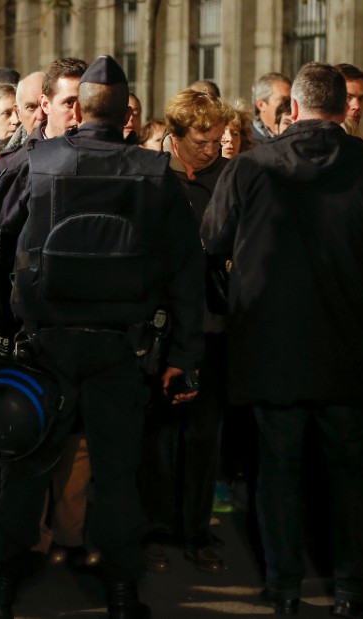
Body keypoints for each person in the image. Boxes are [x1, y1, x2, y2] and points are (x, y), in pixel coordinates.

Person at [0, 55, 204, 619]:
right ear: (126, 114)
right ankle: (123, 593)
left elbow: (1, 234)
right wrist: (186, 353)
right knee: (118, 477)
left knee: (26, 471)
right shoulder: (155, 175)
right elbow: (184, 274)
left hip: (46, 343)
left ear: (79, 109)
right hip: (121, 346)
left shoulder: (38, 163)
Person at [202, 61, 363, 619]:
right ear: (344, 105)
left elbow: (210, 239)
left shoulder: (251, 168)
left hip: (271, 349)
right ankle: (352, 590)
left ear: (292, 108)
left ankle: (284, 587)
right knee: (351, 475)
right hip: (350, 350)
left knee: (276, 474)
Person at [145, 87, 232, 575]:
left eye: (218, 139)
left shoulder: (228, 178)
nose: (212, 148)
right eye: (202, 139)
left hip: (214, 324)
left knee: (204, 435)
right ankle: (155, 529)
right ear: (174, 138)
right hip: (164, 328)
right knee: (159, 435)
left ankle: (196, 530)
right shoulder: (155, 180)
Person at [251, 72, 291, 143]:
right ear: (261, 105)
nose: (289, 105)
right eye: (283, 100)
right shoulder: (246, 140)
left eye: (291, 100)